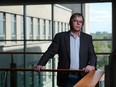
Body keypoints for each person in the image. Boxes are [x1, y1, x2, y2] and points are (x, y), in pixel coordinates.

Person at [33, 13, 97, 87]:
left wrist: (91, 65)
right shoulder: (60, 37)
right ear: (70, 22)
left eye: (80, 22)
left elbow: (92, 54)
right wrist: (41, 64)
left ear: (82, 24)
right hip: (65, 76)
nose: (78, 23)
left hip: (82, 75)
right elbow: (50, 52)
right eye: (75, 21)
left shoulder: (87, 38)